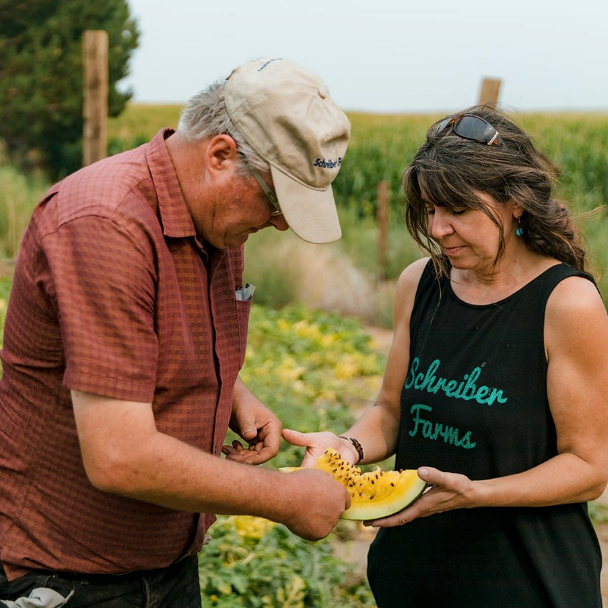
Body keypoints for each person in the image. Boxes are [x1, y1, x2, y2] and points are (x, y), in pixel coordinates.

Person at [0, 57, 352, 607]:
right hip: (67, 581)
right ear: (220, 155)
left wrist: (231, 391)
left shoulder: (216, 223)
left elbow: (142, 336)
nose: (282, 222)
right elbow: (120, 454)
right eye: (278, 200)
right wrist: (286, 496)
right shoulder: (105, 224)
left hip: (167, 568)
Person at [284, 106, 608, 607]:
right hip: (413, 576)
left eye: (456, 210)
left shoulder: (565, 303)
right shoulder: (420, 284)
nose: (437, 228)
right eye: (431, 210)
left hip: (524, 582)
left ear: (515, 203)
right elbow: (392, 411)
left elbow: (588, 467)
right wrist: (346, 447)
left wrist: (476, 493)